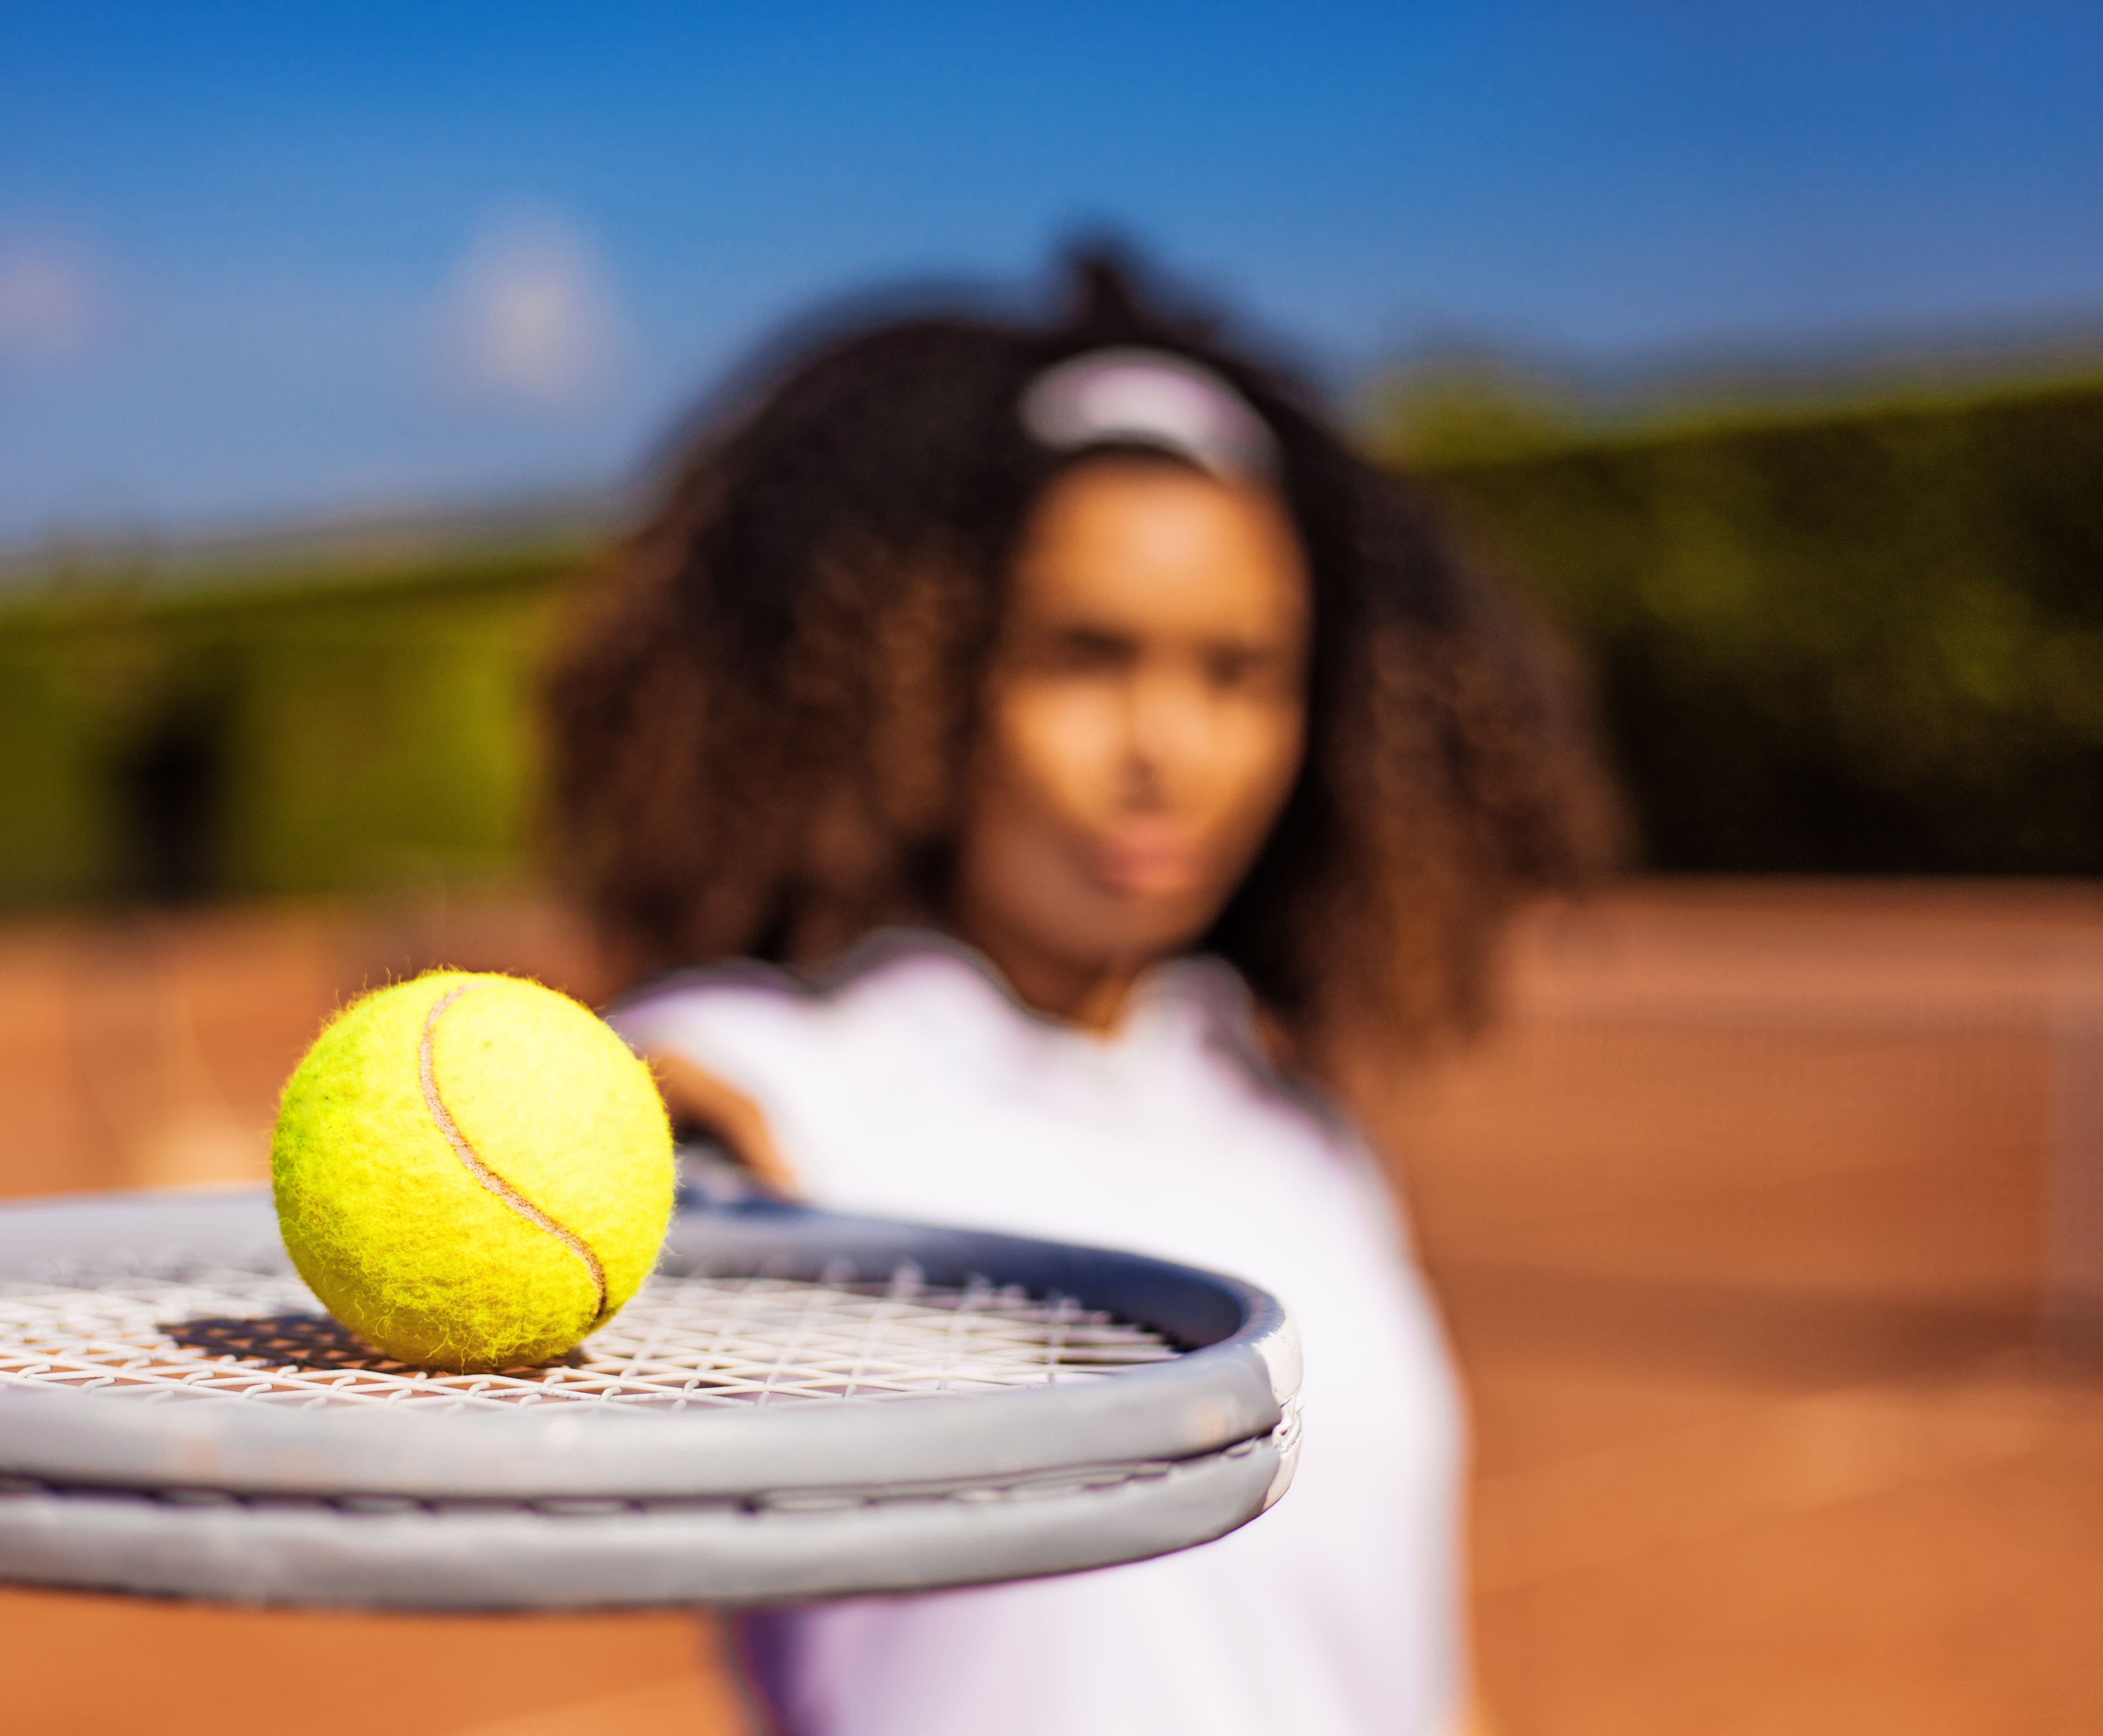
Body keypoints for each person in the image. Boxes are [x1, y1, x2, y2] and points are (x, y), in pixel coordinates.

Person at [541, 249, 1615, 1736]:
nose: (1167, 744)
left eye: (1240, 674)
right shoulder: (787, 1075)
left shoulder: (1299, 1131)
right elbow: (643, 1120)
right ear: (926, 675)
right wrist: (650, 1149)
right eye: (1084, 656)